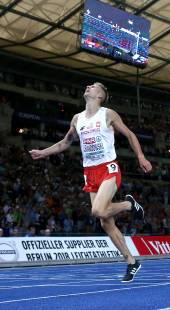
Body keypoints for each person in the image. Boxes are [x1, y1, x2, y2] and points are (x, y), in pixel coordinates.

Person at [29, 82, 152, 282]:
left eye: (94, 86)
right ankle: (131, 262)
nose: (88, 86)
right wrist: (43, 152)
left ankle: (129, 204)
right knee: (105, 222)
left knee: (97, 211)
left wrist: (141, 157)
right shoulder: (77, 118)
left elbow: (130, 134)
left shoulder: (108, 114)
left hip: (108, 168)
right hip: (90, 172)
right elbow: (65, 142)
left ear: (100, 96)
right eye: (88, 85)